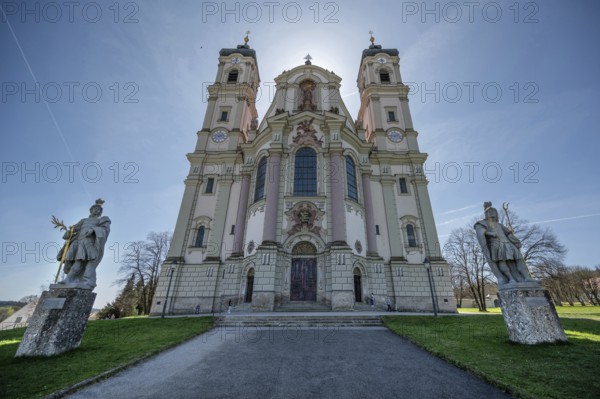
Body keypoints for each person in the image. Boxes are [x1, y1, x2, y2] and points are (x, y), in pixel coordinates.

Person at [474, 202, 533, 285]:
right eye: (490, 212)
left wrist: (515, 241)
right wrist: (490, 234)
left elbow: (508, 233)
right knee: (502, 261)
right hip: (496, 244)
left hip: (508, 243)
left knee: (519, 259)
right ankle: (510, 278)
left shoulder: (499, 224)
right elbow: (481, 232)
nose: (492, 213)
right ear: (486, 214)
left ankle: (527, 277)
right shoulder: (482, 223)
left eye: (494, 211)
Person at [57, 199, 111, 290]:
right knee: (68, 260)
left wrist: (93, 230)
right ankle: (71, 277)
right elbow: (75, 228)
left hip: (88, 242)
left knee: (79, 261)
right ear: (91, 210)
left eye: (98, 209)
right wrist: (69, 232)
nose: (96, 210)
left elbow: (105, 230)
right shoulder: (84, 220)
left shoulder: (102, 219)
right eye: (95, 208)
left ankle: (69, 279)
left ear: (100, 212)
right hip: (77, 241)